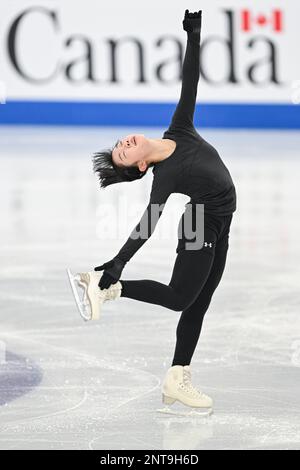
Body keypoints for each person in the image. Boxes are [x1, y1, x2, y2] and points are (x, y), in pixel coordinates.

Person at [68, 10, 237, 412]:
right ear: (140, 167)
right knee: (182, 298)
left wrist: (194, 38)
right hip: (201, 221)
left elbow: (189, 84)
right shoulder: (165, 177)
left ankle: (177, 377)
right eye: (124, 154)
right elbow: (148, 224)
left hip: (220, 220)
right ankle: (107, 285)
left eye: (121, 143)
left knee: (200, 301)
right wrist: (117, 264)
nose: (125, 143)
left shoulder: (179, 129)